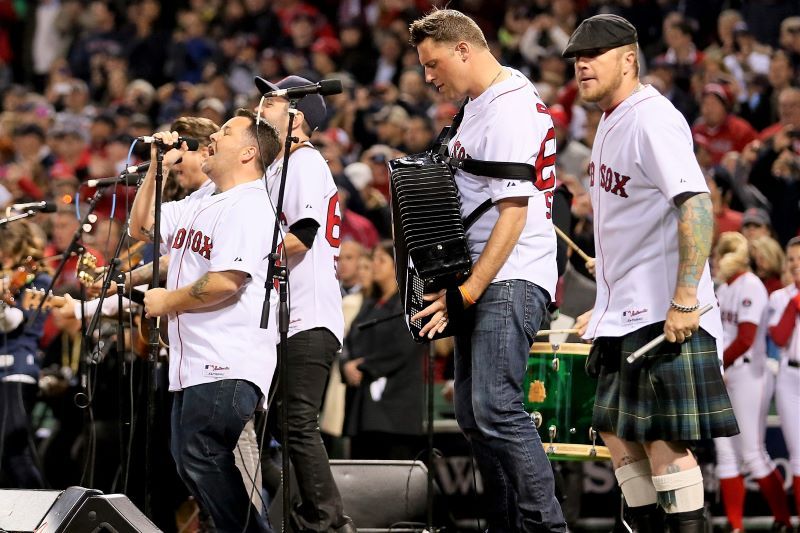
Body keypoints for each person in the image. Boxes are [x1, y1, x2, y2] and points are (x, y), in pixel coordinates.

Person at [565, 14, 738, 532]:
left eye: (594, 54)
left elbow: (696, 204)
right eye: (577, 58)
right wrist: (606, 299)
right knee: (620, 443)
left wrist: (686, 295)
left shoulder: (650, 117)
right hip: (624, 313)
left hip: (663, 312)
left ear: (628, 59)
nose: (582, 65)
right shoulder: (609, 121)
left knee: (663, 443)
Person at [409, 9, 565, 531]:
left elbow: (514, 212)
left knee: (495, 407)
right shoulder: (481, 104)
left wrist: (467, 292)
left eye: (433, 64)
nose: (428, 76)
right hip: (483, 275)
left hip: (509, 275)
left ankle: (547, 526)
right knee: (475, 415)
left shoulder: (508, 109)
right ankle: (506, 526)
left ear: (462, 50)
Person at [128, 109, 281, 533]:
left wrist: (167, 301)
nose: (213, 136)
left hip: (227, 358)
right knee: (188, 458)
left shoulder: (250, 204)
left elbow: (226, 282)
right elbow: (143, 227)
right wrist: (156, 167)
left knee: (200, 453)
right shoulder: (204, 199)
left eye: (225, 132)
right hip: (194, 360)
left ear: (249, 152)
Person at [253, 75, 354, 533]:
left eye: (270, 100)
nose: (260, 106)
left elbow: (303, 236)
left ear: (297, 118)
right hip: (288, 317)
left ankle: (328, 523)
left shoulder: (306, 163)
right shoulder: (277, 167)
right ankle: (300, 520)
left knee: (296, 423)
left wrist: (248, 263)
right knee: (281, 426)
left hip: (307, 314)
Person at [711, 232, 791, 532]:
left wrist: (719, 364)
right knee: (726, 455)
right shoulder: (723, 288)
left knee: (753, 454)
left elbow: (746, 338)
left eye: (720, 255)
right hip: (726, 372)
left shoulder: (751, 285)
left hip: (749, 374)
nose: (716, 262)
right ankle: (735, 527)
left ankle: (783, 521)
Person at [342, 241, 424, 460]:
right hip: (363, 410)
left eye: (381, 260)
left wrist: (362, 366)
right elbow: (349, 340)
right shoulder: (370, 303)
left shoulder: (410, 304)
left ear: (397, 265)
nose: (374, 265)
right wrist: (346, 364)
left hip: (395, 412)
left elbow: (403, 347)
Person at [0, 219, 50, 489]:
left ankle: (44, 517)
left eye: (5, 251)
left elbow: (13, 322)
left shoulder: (38, 280)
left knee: (16, 451)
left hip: (18, 369)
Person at [767, 237, 800, 522]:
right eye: (792, 260)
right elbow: (778, 337)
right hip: (789, 376)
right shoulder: (780, 297)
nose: (796, 265)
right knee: (798, 457)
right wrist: (796, 301)